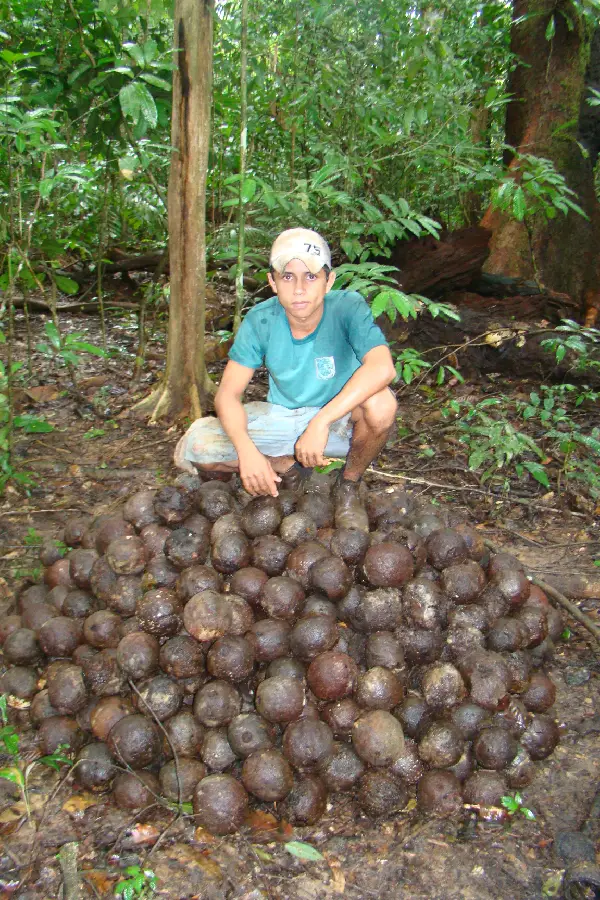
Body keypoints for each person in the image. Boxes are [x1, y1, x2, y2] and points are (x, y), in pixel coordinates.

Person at [174, 227, 398, 496]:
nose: (299, 289)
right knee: (197, 444)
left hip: (339, 423)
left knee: (382, 405)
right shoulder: (261, 320)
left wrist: (321, 422)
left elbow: (382, 366)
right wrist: (247, 451)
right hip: (282, 419)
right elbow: (227, 396)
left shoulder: (347, 308)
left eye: (311, 276)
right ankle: (284, 465)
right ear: (273, 282)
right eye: (288, 276)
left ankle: (348, 483)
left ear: (329, 281)